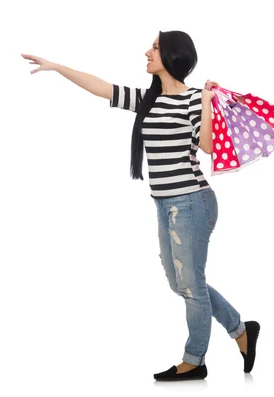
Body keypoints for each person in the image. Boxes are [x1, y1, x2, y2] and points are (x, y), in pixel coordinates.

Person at [21, 30, 259, 381]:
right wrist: (56, 67)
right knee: (182, 284)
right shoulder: (147, 100)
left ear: (173, 56)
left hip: (192, 201)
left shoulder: (194, 100)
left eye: (156, 48)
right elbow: (100, 86)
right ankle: (241, 330)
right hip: (165, 203)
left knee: (191, 286)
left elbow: (207, 147)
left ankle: (194, 360)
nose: (147, 52)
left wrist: (206, 102)